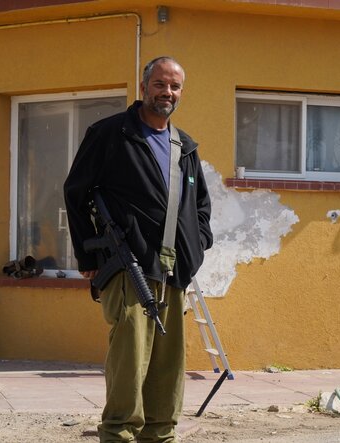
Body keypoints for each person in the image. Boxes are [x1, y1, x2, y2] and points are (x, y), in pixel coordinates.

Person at [63, 57, 213, 443]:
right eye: (160, 84)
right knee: (130, 361)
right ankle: (119, 434)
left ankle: (161, 434)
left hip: (173, 271)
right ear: (144, 86)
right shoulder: (112, 134)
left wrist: (197, 247)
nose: (167, 93)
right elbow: (75, 193)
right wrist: (87, 257)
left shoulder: (186, 147)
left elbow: (200, 208)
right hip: (128, 267)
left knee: (168, 364)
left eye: (175, 87)